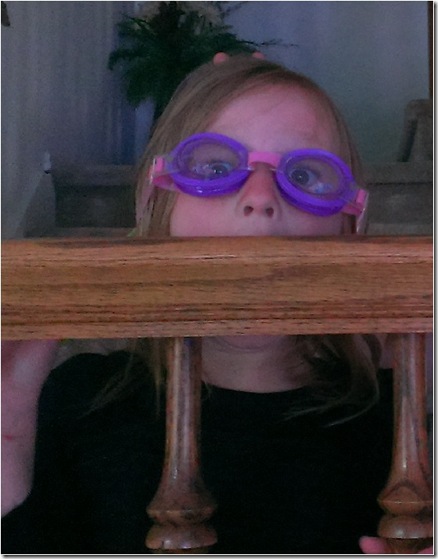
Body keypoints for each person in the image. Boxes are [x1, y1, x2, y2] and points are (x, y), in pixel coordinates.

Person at [1, 54, 431, 554]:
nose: (260, 197)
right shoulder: (77, 400)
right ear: (152, 203)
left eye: (305, 176)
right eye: (215, 167)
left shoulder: (401, 427)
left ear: (350, 225)